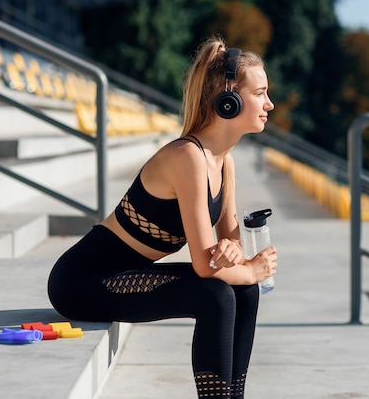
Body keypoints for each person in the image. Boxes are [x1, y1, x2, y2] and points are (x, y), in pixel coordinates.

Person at [47, 36, 277, 399]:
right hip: (82, 282)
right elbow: (205, 266)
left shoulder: (223, 161)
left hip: (126, 275)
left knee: (243, 289)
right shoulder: (188, 156)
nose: (269, 103)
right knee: (215, 294)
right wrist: (248, 267)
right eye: (260, 93)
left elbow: (230, 244)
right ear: (228, 101)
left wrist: (237, 256)